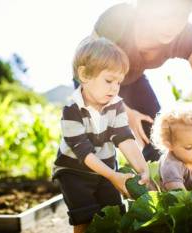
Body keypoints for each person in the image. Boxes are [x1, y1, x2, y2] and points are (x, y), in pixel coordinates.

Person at [84, 0, 192, 162]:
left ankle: (163, 183)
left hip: (132, 80)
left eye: (182, 16)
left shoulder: (189, 37)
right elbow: (91, 78)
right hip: (90, 79)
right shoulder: (117, 20)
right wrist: (124, 111)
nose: (173, 25)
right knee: (95, 143)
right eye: (164, 15)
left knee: (157, 142)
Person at [53, 37, 150, 233]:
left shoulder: (116, 105)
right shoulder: (71, 110)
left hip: (106, 168)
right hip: (74, 171)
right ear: (84, 74)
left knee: (113, 213)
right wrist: (113, 176)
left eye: (118, 82)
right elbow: (83, 152)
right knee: (84, 218)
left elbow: (124, 138)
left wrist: (143, 168)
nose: (115, 88)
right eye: (109, 80)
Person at [151, 102, 192, 191]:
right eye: (189, 147)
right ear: (169, 145)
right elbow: (180, 199)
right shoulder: (171, 167)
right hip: (175, 201)